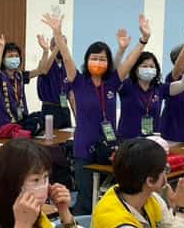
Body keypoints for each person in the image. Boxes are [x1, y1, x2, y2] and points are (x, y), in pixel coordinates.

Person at [42, 11, 152, 215]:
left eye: (102, 59)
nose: (98, 62)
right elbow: (66, 56)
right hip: (84, 148)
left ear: (108, 63)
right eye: (94, 58)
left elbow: (130, 61)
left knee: (111, 196)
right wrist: (57, 32)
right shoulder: (78, 80)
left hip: (109, 149)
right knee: (86, 198)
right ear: (87, 60)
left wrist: (143, 39)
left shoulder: (112, 82)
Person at [116, 44, 184, 140]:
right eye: (144, 66)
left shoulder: (159, 88)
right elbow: (116, 74)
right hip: (127, 140)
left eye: (152, 67)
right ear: (136, 69)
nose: (148, 69)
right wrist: (123, 50)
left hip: (152, 141)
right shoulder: (126, 85)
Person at [0, 32, 52, 126]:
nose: (14, 58)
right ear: (3, 60)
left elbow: (41, 70)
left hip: (20, 124)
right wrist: (1, 47)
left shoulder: (20, 76)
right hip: (3, 127)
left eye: (16, 56)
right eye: (10, 56)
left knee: (39, 118)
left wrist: (46, 51)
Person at [36, 35, 75, 129]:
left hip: (64, 109)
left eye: (64, 45)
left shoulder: (66, 66)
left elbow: (71, 95)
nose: (62, 48)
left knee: (67, 136)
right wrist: (57, 48)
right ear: (51, 47)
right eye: (58, 45)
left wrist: (78, 118)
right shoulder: (45, 63)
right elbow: (43, 70)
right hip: (50, 109)